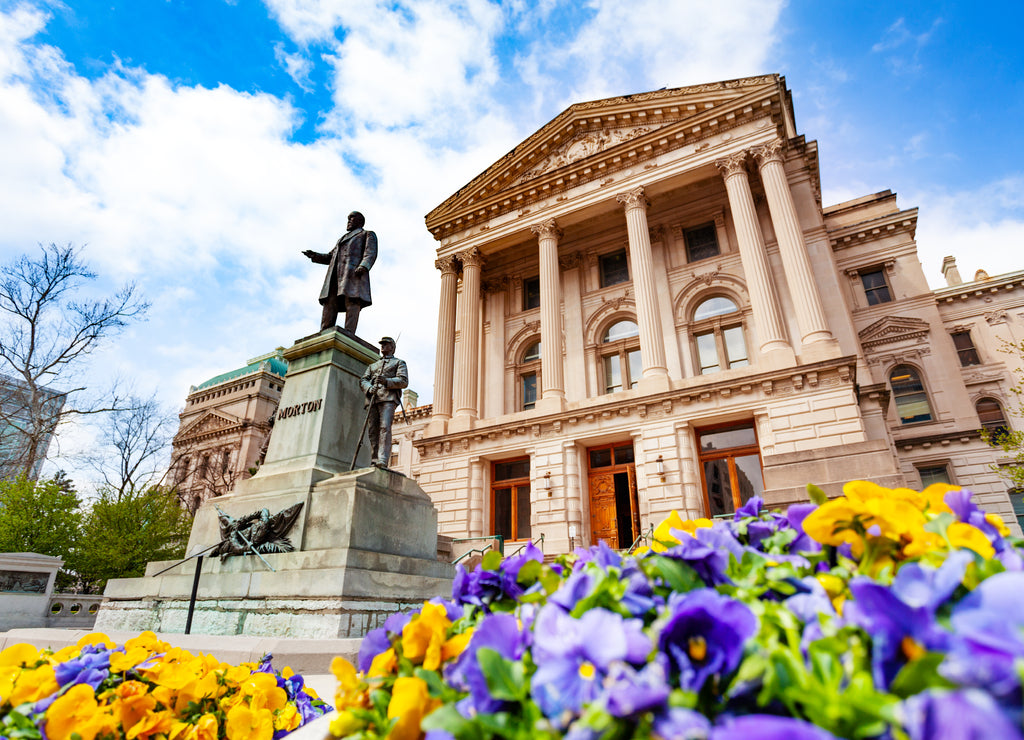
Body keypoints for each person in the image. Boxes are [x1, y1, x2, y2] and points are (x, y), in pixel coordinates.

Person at [303, 211, 377, 333]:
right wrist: (315, 256)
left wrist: (363, 266)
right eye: (348, 219)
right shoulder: (341, 239)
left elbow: (370, 253)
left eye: (351, 218)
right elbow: (330, 257)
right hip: (334, 276)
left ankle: (349, 332)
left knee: (352, 301)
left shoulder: (366, 234)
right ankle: (325, 330)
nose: (348, 221)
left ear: (360, 221)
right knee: (330, 302)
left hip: (352, 273)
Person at [359, 336, 408, 468]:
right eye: (382, 344)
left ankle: (383, 459)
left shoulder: (399, 363)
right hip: (372, 399)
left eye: (386, 344)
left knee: (385, 428)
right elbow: (363, 380)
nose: (383, 347)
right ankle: (374, 460)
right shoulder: (373, 366)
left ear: (392, 347)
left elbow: (403, 381)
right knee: (373, 431)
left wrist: (386, 381)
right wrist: (369, 388)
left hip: (388, 399)